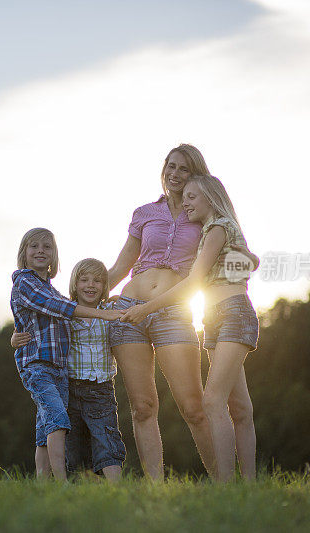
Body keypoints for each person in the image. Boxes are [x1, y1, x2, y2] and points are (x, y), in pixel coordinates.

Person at [120, 174, 258, 482]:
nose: (186, 203)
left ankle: (226, 485)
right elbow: (247, 262)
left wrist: (146, 308)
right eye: (185, 198)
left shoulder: (217, 227)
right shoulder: (214, 230)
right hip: (215, 316)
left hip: (232, 313)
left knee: (211, 401)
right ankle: (246, 486)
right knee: (240, 407)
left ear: (210, 197)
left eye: (192, 197)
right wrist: (246, 261)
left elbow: (194, 282)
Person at [106, 144, 217, 479]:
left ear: (196, 174)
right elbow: (123, 263)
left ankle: (225, 481)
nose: (175, 174)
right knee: (142, 408)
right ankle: (156, 489)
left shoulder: (205, 213)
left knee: (193, 408)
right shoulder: (144, 213)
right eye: (171, 166)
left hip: (173, 313)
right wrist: (85, 299)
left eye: (183, 169)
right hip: (128, 311)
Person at [10, 228, 123, 480]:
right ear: (24, 253)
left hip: (58, 369)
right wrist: (102, 313)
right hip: (38, 366)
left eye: (47, 247)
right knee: (59, 420)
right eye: (34, 246)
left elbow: (57, 308)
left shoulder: (48, 288)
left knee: (45, 427)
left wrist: (108, 304)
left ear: (54, 255)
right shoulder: (25, 282)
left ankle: (42, 483)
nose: (41, 251)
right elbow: (59, 307)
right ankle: (61, 482)